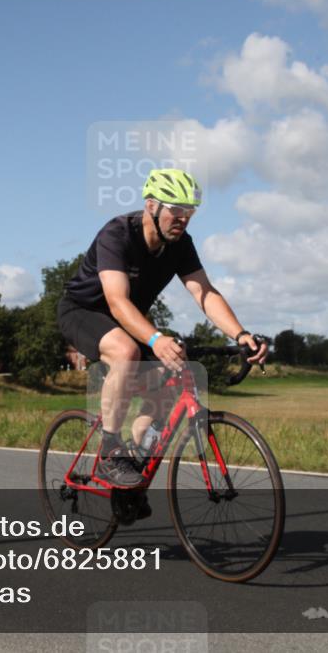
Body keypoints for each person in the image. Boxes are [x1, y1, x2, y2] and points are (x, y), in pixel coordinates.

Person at [58, 168, 267, 489]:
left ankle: (134, 470)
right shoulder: (117, 235)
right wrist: (155, 339)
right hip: (83, 311)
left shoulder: (181, 245)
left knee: (170, 384)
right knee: (125, 351)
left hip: (126, 321)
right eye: (176, 210)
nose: (183, 219)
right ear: (152, 206)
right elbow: (116, 302)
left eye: (190, 212)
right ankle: (109, 453)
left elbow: (205, 292)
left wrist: (240, 334)